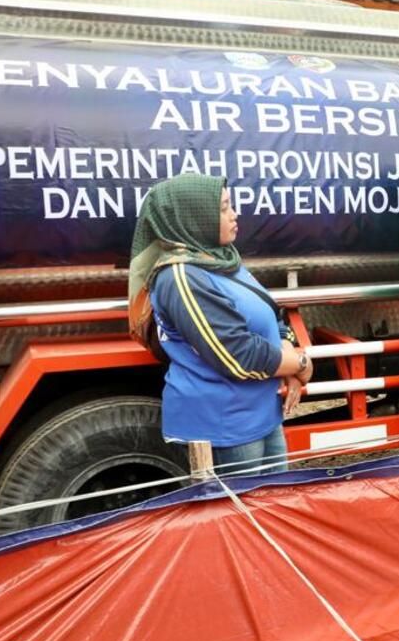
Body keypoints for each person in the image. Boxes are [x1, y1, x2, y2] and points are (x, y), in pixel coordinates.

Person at [128, 174, 312, 475]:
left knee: (273, 511)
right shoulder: (181, 276)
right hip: (226, 426)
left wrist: (289, 354)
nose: (234, 214)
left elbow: (269, 313)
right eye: (224, 208)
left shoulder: (219, 258)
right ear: (193, 217)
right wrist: (300, 364)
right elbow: (237, 355)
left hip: (262, 413)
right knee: (240, 518)